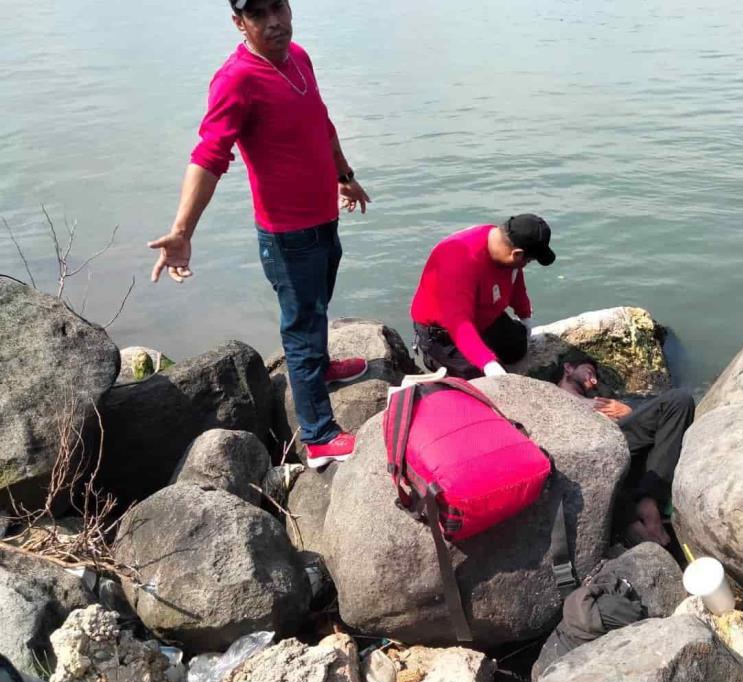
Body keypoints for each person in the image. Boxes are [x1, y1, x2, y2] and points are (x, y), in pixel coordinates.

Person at [148, 0, 372, 468]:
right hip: (288, 234)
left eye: (279, 7)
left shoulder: (298, 58)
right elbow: (209, 155)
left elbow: (320, 121)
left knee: (317, 306)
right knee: (301, 325)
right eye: (258, 14)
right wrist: (181, 230)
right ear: (239, 23)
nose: (274, 21)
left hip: (322, 218)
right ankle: (318, 436)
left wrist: (343, 174)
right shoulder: (236, 79)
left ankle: (320, 371)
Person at [556, 352, 695, 547]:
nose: (593, 380)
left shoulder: (603, 401)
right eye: (589, 371)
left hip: (622, 442)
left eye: (595, 376)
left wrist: (629, 412)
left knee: (680, 400)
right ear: (568, 368)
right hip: (587, 453)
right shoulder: (551, 396)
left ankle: (649, 500)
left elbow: (636, 427)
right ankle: (632, 524)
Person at [410, 215, 556, 379]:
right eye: (528, 261)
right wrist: (487, 363)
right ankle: (437, 360)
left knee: (518, 348)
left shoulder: (502, 241)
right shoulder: (457, 262)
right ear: (516, 254)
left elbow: (515, 279)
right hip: (445, 333)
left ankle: (486, 346)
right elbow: (458, 323)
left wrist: (525, 316)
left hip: (485, 317)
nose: (525, 265)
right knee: (483, 380)